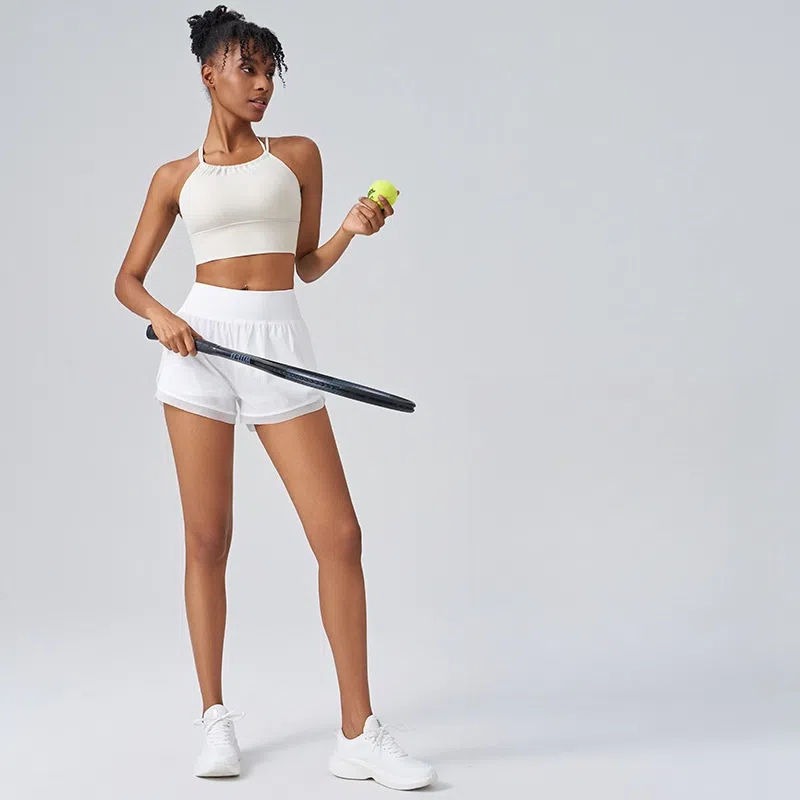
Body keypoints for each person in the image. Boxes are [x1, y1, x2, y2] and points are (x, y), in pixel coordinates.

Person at [113, 5, 436, 791]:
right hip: (200, 351)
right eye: (247, 69)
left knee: (340, 537)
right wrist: (165, 317)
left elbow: (304, 265)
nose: (262, 85)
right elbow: (127, 280)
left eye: (269, 72)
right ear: (209, 74)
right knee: (207, 539)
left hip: (279, 347)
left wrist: (351, 230)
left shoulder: (297, 156)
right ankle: (214, 719)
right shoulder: (174, 177)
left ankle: (357, 734)